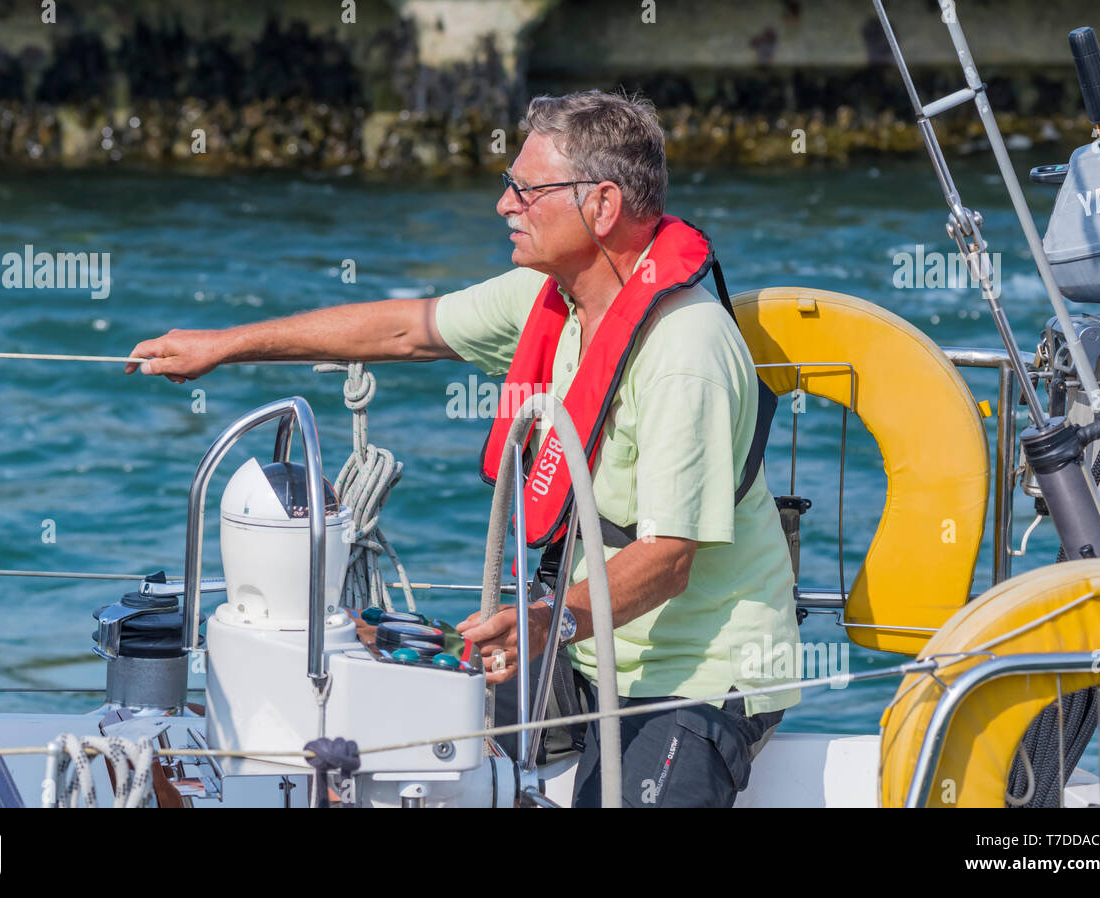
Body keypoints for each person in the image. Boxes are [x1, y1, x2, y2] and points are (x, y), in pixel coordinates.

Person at [126, 90, 802, 808]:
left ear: (602, 206)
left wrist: (548, 620)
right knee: (416, 736)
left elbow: (668, 559)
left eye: (526, 188)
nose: (504, 204)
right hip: (581, 643)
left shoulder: (685, 347)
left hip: (695, 672)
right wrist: (225, 347)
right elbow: (404, 330)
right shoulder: (550, 298)